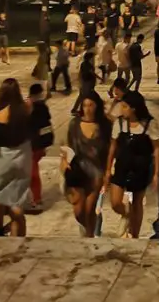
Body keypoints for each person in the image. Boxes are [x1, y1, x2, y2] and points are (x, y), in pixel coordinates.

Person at [104, 91, 159, 238]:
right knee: (115, 201)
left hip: (140, 169)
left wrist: (156, 173)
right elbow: (113, 146)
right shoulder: (119, 123)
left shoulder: (149, 124)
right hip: (122, 166)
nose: (122, 110)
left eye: (124, 107)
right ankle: (127, 215)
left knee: (137, 202)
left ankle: (134, 234)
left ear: (133, 108)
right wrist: (108, 168)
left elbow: (156, 148)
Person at [0, 78, 32, 236]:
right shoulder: (25, 110)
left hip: (2, 160)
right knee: (16, 199)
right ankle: (18, 232)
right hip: (22, 158)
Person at [64, 91, 112, 236]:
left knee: (90, 208)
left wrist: (108, 171)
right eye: (85, 105)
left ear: (97, 106)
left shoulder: (104, 125)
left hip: (96, 172)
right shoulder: (74, 124)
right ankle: (90, 231)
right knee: (79, 211)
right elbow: (68, 146)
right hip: (78, 170)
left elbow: (110, 148)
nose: (87, 109)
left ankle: (90, 236)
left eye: (91, 105)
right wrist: (64, 162)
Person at [27, 83, 53, 211]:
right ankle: (35, 198)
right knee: (32, 172)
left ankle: (36, 199)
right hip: (37, 144)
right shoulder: (41, 106)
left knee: (32, 173)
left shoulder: (32, 106)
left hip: (32, 145)